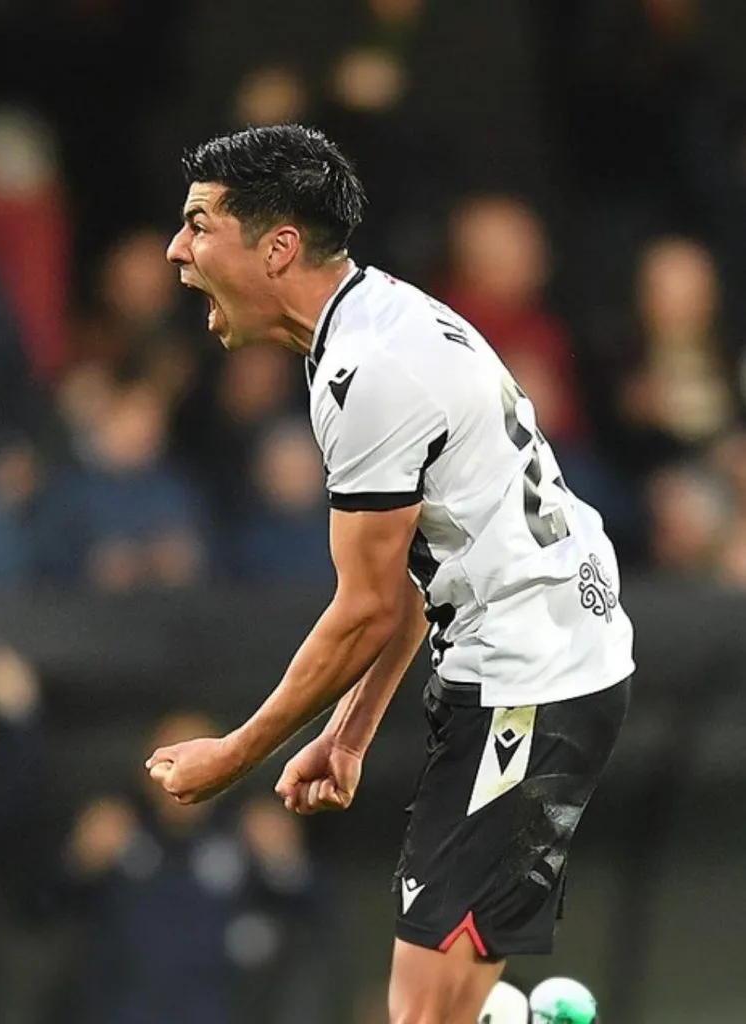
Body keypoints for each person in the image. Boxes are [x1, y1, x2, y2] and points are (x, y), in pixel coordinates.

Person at [146, 125, 634, 1024]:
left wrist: (235, 755)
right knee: (435, 1007)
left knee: (421, 1015)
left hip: (532, 682)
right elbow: (414, 571)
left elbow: (364, 607)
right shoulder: (372, 319)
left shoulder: (365, 370)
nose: (177, 250)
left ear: (278, 246)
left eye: (199, 225)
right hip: (529, 663)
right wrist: (348, 735)